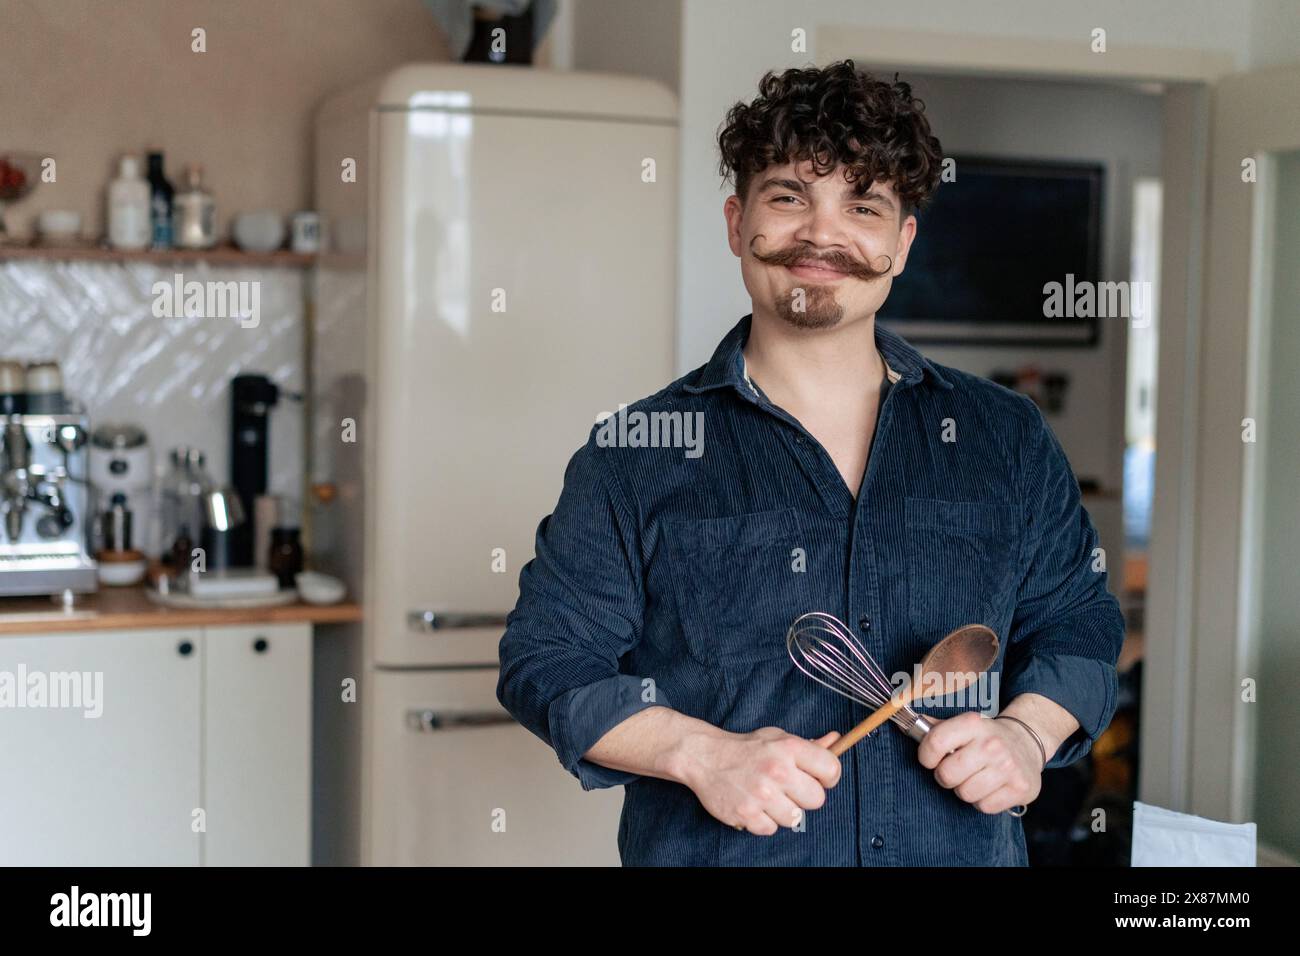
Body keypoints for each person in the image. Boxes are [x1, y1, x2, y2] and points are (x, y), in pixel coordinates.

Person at [497, 60, 1124, 866]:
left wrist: (1028, 737)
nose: (823, 236)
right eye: (790, 196)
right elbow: (546, 661)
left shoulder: (1004, 438)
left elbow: (1076, 624)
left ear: (901, 244)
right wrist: (701, 753)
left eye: (862, 206)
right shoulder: (635, 455)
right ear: (736, 223)